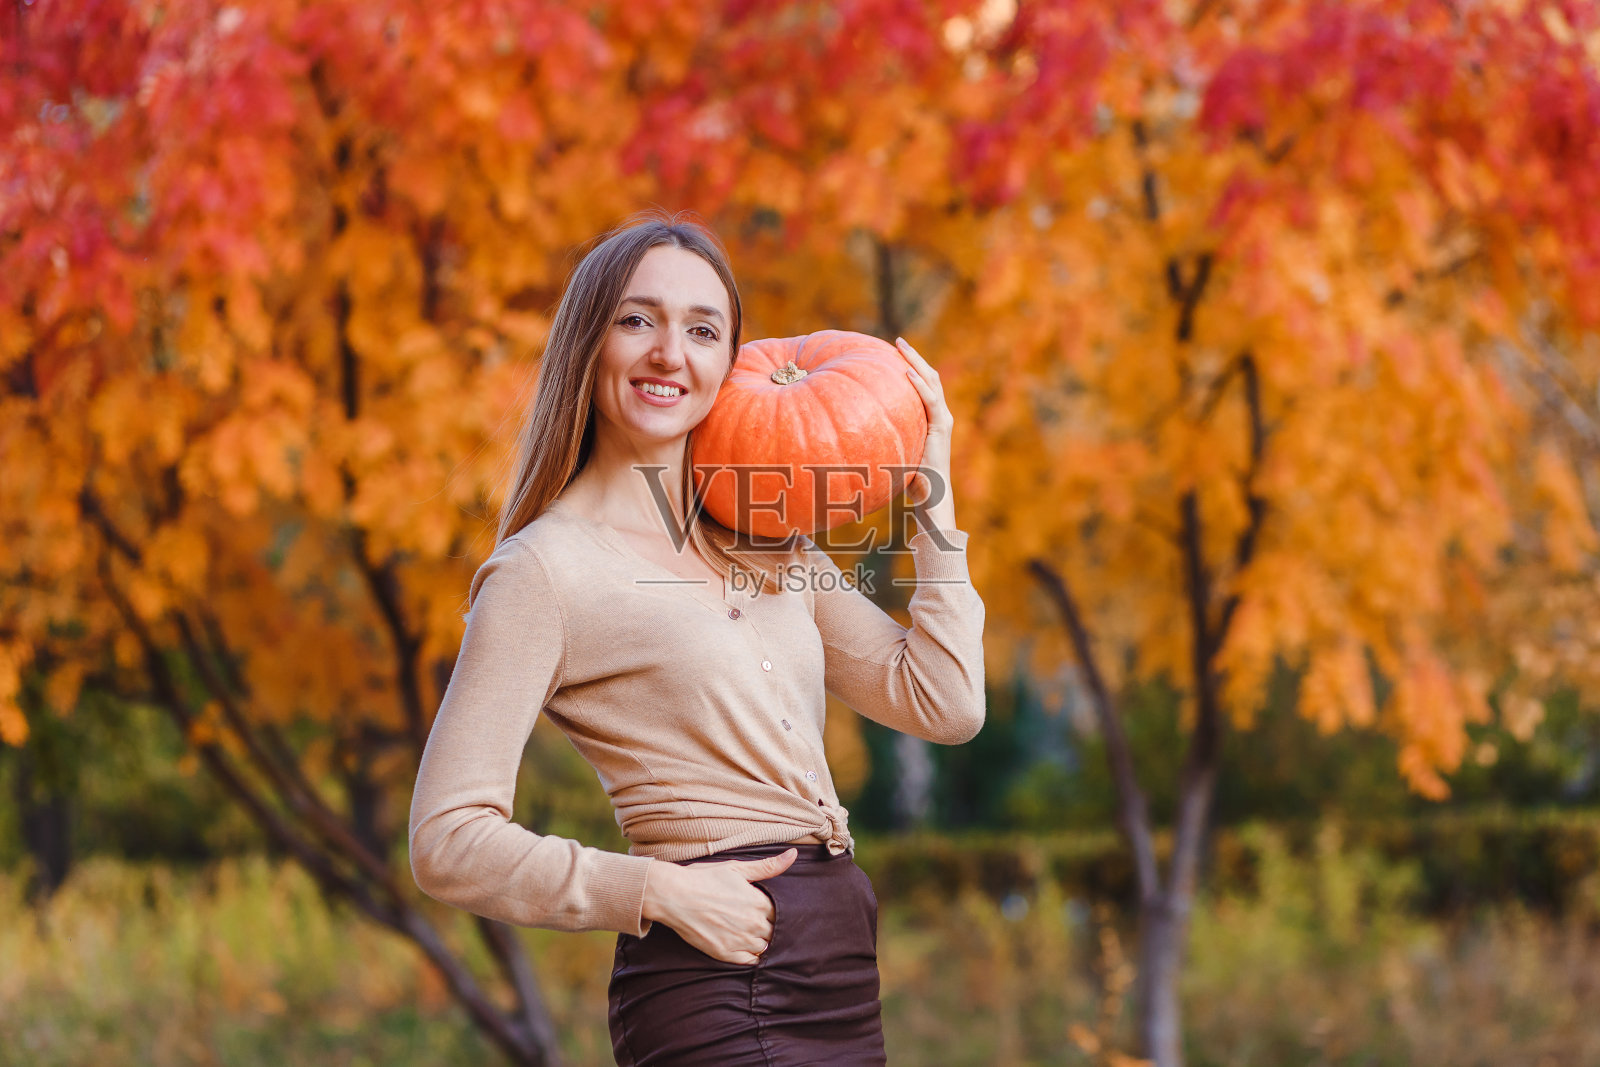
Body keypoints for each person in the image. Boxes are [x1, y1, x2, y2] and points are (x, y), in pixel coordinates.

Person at [407, 210, 987, 1066]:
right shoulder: (544, 570)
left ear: (731, 363)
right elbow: (447, 837)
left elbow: (945, 702)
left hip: (835, 961)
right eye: (636, 319)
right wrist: (654, 889)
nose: (669, 353)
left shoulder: (768, 536)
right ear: (587, 343)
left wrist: (926, 487)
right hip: (711, 971)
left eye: (703, 329)